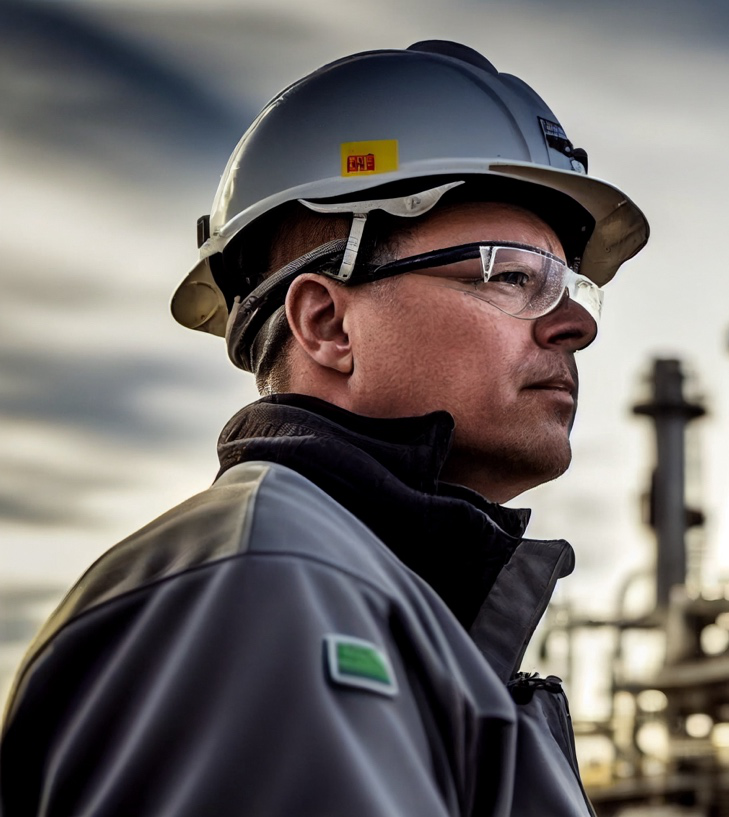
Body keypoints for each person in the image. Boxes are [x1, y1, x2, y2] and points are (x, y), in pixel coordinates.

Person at [0, 41, 647, 816]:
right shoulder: (263, 585)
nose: (576, 323)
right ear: (327, 323)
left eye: (570, 285)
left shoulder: (389, 612)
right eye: (512, 275)